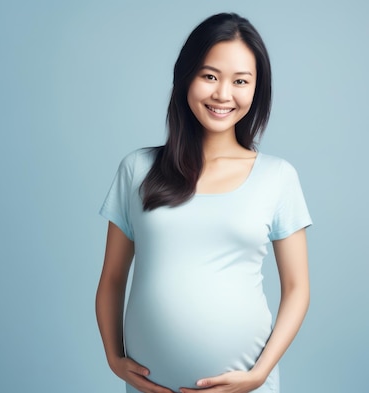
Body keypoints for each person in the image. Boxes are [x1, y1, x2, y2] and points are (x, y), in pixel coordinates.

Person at [96, 12, 312, 393]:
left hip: (245, 386)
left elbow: (297, 288)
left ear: (255, 90)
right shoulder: (138, 169)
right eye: (209, 76)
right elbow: (113, 278)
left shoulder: (278, 177)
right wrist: (114, 358)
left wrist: (259, 374)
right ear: (185, 78)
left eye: (240, 81)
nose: (223, 94)